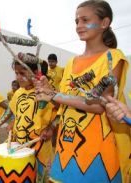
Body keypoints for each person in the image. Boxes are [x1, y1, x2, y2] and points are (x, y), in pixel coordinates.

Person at [35, 0, 130, 182]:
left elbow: (99, 105)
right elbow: (64, 103)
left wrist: (55, 95)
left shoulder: (112, 58)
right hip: (65, 145)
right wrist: (48, 93)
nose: (79, 26)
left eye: (85, 20)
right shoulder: (71, 63)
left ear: (104, 23)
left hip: (96, 148)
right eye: (76, 21)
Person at [0, 59, 54, 181]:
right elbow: (11, 109)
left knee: (39, 178)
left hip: (39, 145)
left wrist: (50, 128)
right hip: (19, 142)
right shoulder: (18, 92)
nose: (18, 77)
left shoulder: (47, 91)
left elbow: (59, 113)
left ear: (35, 72)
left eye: (22, 73)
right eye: (16, 73)